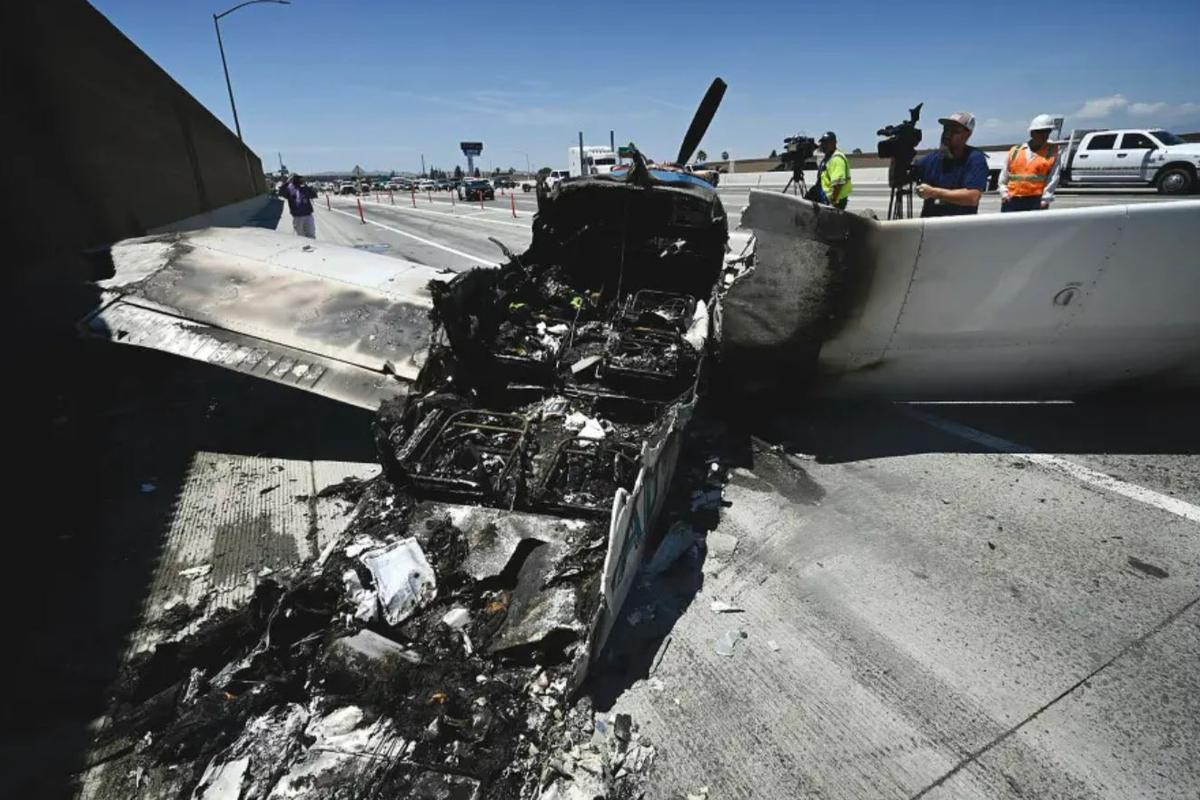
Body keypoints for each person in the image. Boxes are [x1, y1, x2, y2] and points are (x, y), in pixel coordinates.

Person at [915, 111, 989, 218]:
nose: (947, 134)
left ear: (967, 134)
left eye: (954, 131)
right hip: (930, 228)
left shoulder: (974, 159)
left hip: (958, 229)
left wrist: (933, 192)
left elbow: (972, 197)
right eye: (945, 130)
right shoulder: (932, 158)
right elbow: (900, 179)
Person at [998, 114, 1062, 212]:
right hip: (1012, 199)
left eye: (1047, 131)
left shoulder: (1053, 152)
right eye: (1040, 131)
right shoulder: (1015, 151)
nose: (1044, 135)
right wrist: (1004, 194)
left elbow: (1053, 178)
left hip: (1035, 200)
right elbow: (1004, 175)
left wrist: (1045, 199)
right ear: (1032, 133)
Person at [815, 131, 852, 209]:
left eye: (826, 143)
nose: (823, 145)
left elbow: (838, 183)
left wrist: (833, 202)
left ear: (834, 143)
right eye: (822, 143)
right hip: (827, 197)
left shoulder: (836, 159)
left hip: (836, 200)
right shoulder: (827, 158)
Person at [279, 174, 318, 238]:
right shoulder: (289, 188)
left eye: (299, 179)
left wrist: (306, 184)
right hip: (297, 217)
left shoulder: (305, 188)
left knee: (311, 234)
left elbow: (314, 195)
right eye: (296, 179)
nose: (298, 181)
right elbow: (281, 193)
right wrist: (287, 182)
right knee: (300, 236)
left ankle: (311, 246)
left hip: (308, 215)